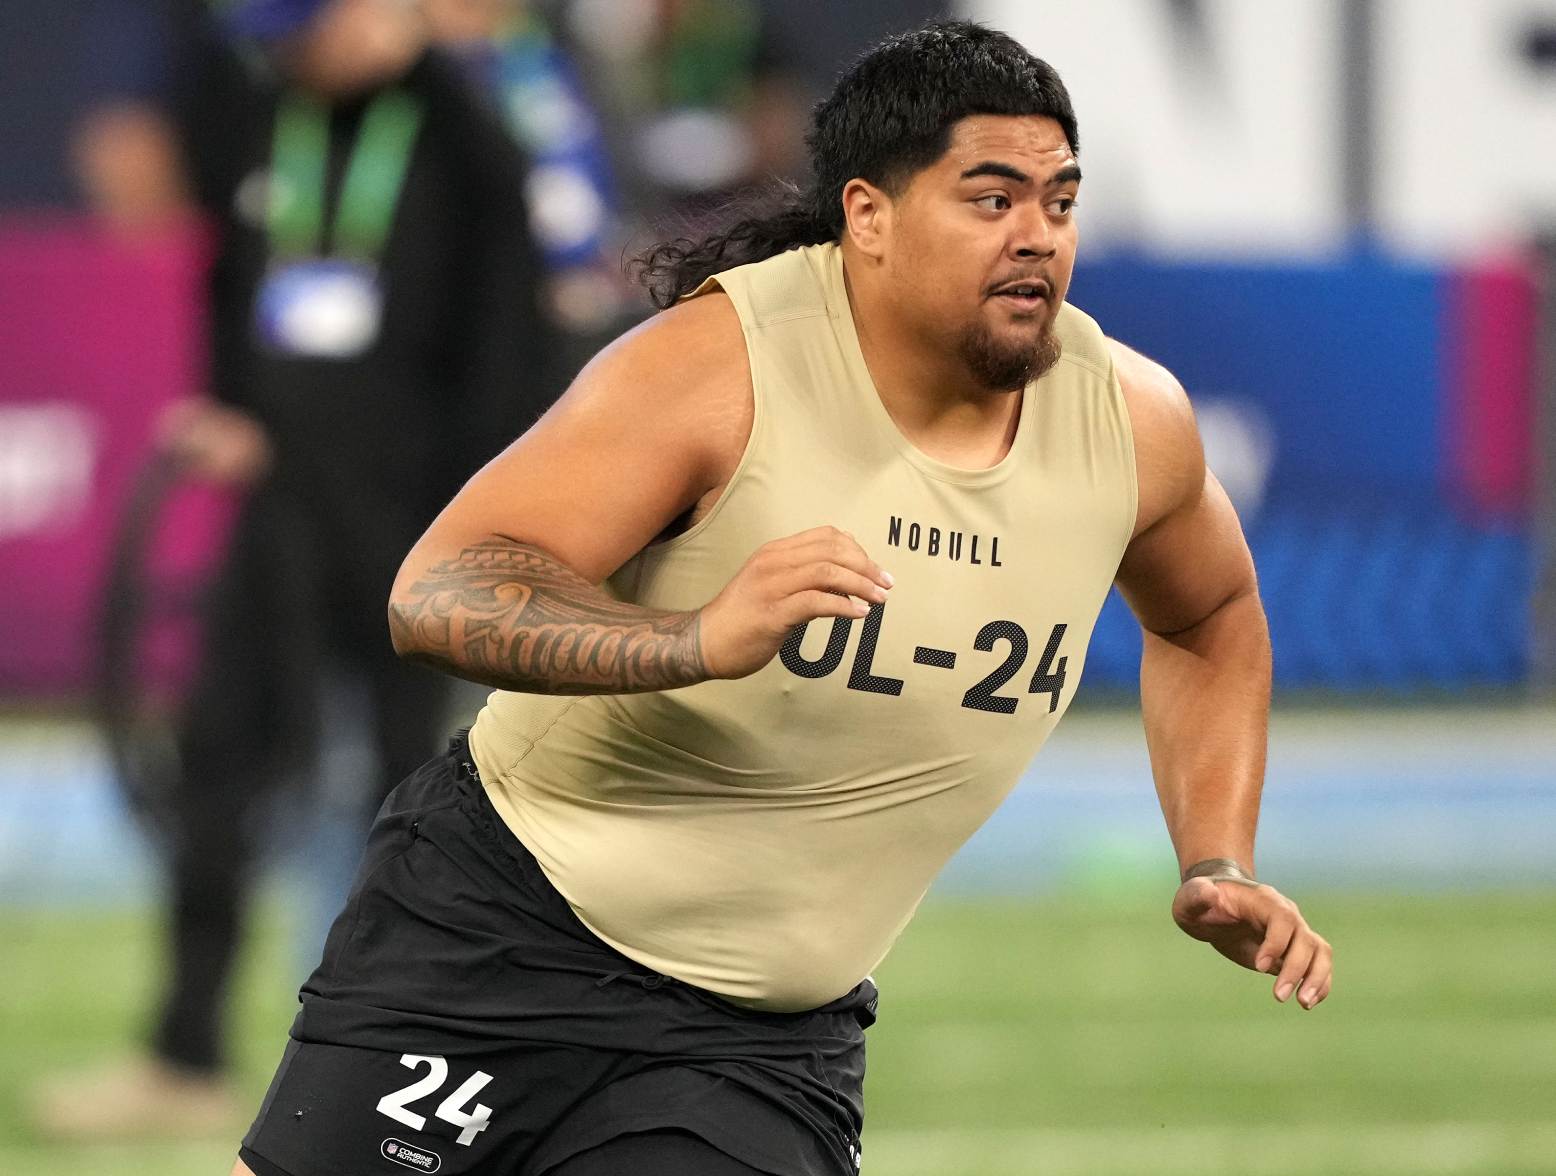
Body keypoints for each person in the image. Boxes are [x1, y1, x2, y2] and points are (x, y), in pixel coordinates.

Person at [230, 20, 1332, 1176]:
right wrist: (691, 639)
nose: (1035, 240)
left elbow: (1206, 616)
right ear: (867, 215)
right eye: (989, 200)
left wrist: (1215, 858)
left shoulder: (1128, 423)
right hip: (495, 933)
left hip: (758, 1041)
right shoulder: (718, 367)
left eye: (1058, 202)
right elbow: (441, 589)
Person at [34, 0, 557, 1140]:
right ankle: (182, 1055)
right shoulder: (267, 106)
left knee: (406, 803)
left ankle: (399, 1062)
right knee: (214, 774)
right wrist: (227, 409)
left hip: (412, 532)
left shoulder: (470, 132)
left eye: (306, 24)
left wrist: (472, 523)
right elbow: (235, 280)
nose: (287, 46)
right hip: (274, 519)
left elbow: (508, 353)